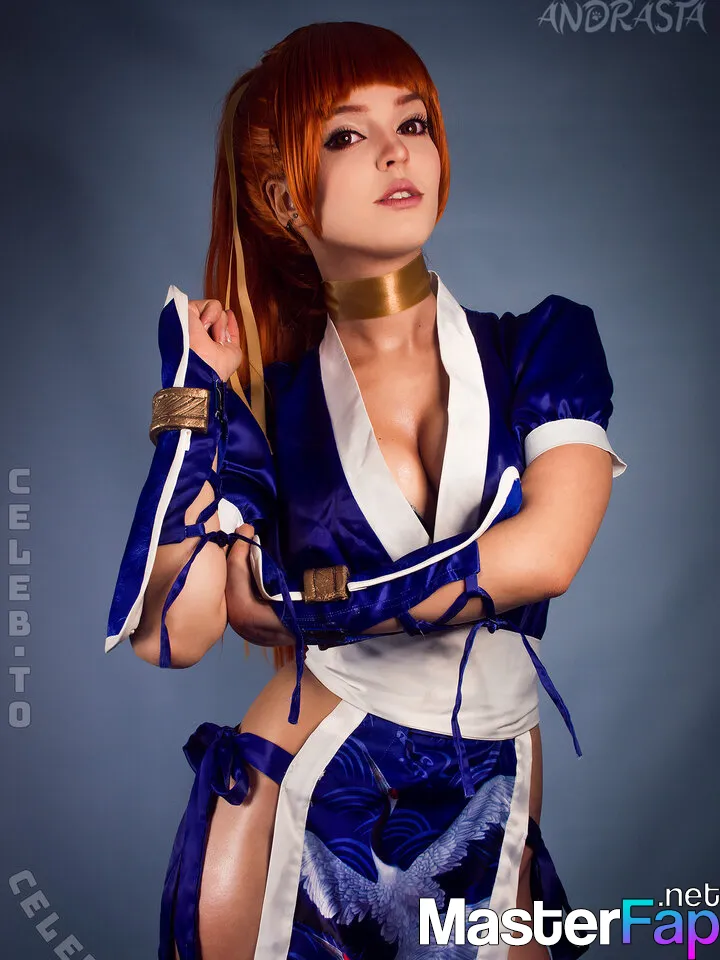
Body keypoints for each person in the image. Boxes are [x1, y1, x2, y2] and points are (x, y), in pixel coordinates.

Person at [105, 21, 627, 960]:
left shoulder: (543, 347)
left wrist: (308, 604)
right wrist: (191, 405)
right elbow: (172, 636)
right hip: (305, 785)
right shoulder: (269, 405)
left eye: (413, 122)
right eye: (347, 134)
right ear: (283, 197)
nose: (396, 151)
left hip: (493, 792)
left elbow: (548, 555)